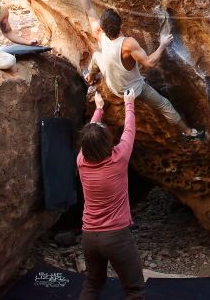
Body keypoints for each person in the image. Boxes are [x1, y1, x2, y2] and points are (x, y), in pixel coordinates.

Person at [87, 8, 203, 140]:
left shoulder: (100, 34)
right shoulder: (127, 44)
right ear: (120, 25)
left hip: (112, 85)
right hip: (132, 90)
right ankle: (188, 133)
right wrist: (162, 45)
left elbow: (90, 12)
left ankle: (89, 78)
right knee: (164, 104)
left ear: (103, 27)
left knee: (96, 56)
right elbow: (149, 63)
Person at [78, 90, 145, 300]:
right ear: (108, 143)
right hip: (116, 237)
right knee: (134, 291)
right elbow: (129, 130)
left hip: (89, 236)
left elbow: (88, 140)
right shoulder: (118, 159)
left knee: (93, 284)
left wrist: (98, 109)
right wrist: (129, 103)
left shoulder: (81, 162)